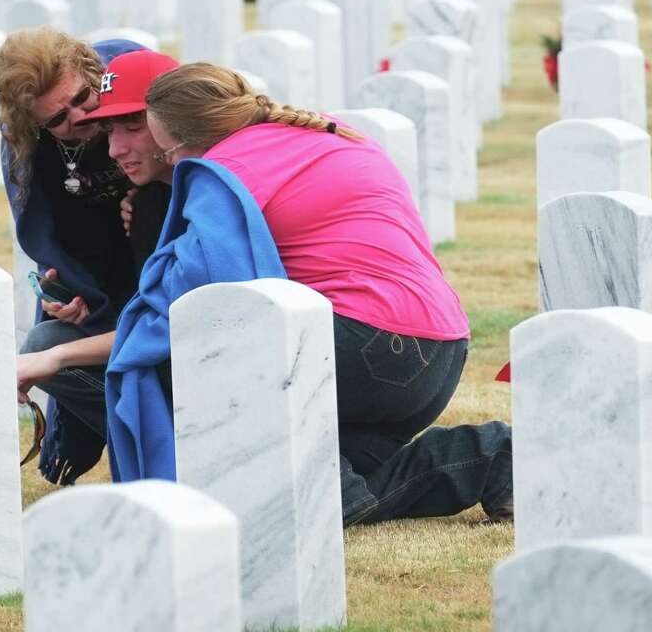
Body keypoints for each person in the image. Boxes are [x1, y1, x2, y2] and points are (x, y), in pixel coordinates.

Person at [113, 62, 512, 525]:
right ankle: (493, 458)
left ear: (191, 141)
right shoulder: (328, 133)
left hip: (362, 347)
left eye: (169, 153)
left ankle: (331, 489)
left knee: (189, 360)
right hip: (441, 350)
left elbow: (200, 294)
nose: (173, 166)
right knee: (308, 495)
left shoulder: (222, 170)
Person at [0, 29, 172, 483]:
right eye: (57, 119)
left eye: (82, 98)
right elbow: (45, 235)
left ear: (93, 74)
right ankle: (152, 451)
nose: (80, 117)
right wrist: (67, 292)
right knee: (44, 344)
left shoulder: (130, 73)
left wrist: (152, 192)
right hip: (101, 270)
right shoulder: (26, 149)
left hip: (162, 253)